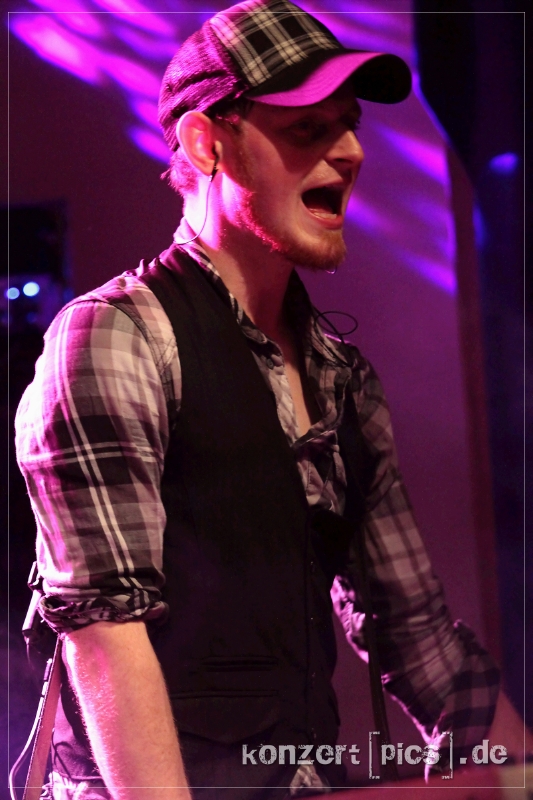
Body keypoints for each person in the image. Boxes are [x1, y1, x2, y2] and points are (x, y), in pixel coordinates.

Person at [14, 1, 530, 798]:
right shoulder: (117, 338)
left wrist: (518, 772)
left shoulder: (341, 380)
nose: (350, 152)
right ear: (206, 143)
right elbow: (103, 631)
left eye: (349, 126)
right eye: (307, 129)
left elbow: (416, 633)